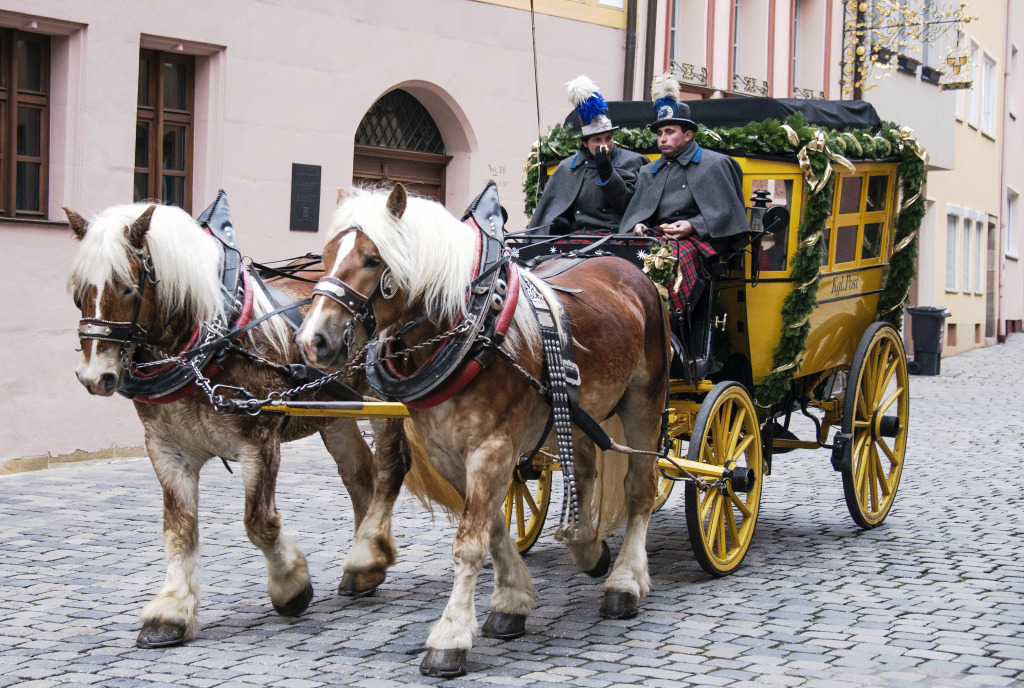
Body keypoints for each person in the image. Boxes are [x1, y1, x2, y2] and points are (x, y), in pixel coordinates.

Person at [619, 74, 750, 316]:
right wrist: (637, 225)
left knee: (668, 260)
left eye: (670, 132)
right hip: (654, 238)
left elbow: (728, 213)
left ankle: (671, 325)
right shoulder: (649, 171)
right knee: (620, 255)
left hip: (695, 242)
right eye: (659, 134)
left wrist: (693, 225)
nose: (663, 138)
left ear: (688, 135)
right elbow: (638, 212)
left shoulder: (714, 164)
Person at [528, 75, 647, 235]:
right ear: (585, 143)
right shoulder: (567, 167)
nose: (604, 145)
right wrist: (560, 222)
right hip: (578, 236)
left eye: (608, 138)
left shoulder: (634, 161)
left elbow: (632, 209)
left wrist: (608, 174)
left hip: (616, 237)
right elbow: (552, 211)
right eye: (597, 140)